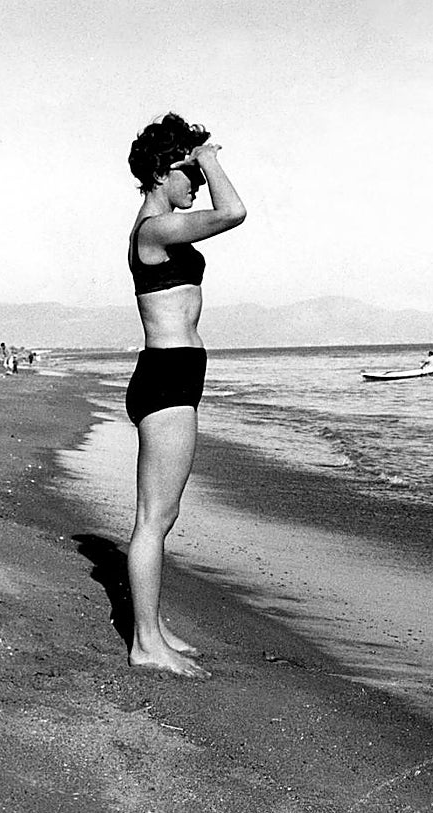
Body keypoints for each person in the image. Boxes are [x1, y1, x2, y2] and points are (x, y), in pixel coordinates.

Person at [123, 112, 245, 677]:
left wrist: (196, 157)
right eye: (188, 172)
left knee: (161, 516)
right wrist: (212, 157)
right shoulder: (153, 228)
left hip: (175, 376)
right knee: (154, 517)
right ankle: (145, 643)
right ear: (160, 171)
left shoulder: (162, 225)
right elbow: (233, 213)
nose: (194, 181)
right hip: (167, 378)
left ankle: (155, 626)